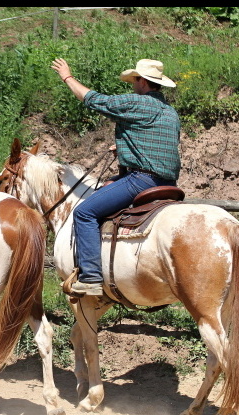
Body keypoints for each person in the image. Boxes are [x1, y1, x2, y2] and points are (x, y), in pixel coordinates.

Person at [50, 58, 181, 297]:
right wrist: (123, 147)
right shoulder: (170, 112)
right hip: (168, 183)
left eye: (134, 80)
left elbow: (94, 100)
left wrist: (67, 77)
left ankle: (91, 277)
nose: (133, 84)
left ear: (142, 81)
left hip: (142, 179)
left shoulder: (137, 102)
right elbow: (156, 143)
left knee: (84, 213)